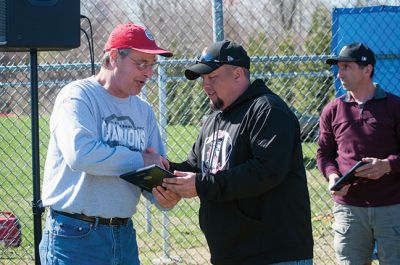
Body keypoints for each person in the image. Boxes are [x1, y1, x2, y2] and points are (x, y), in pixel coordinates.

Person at [39, 23, 181, 265]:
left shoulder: (143, 111)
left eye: (152, 65)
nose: (149, 73)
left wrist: (164, 195)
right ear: (114, 56)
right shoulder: (78, 96)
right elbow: (81, 155)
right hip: (75, 235)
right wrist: (139, 160)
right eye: (141, 63)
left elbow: (152, 168)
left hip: (123, 234)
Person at [163, 40, 314, 265]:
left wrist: (201, 184)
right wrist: (164, 170)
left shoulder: (267, 110)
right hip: (230, 254)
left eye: (212, 77)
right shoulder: (213, 120)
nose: (205, 85)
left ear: (237, 74)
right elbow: (197, 169)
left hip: (273, 254)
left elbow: (265, 171)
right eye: (203, 79)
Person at [317, 42, 400, 265]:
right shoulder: (332, 110)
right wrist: (333, 176)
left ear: (367, 69)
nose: (339, 73)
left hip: (392, 207)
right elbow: (323, 154)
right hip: (349, 207)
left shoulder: (394, 106)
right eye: (338, 67)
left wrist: (388, 165)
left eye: (346, 67)